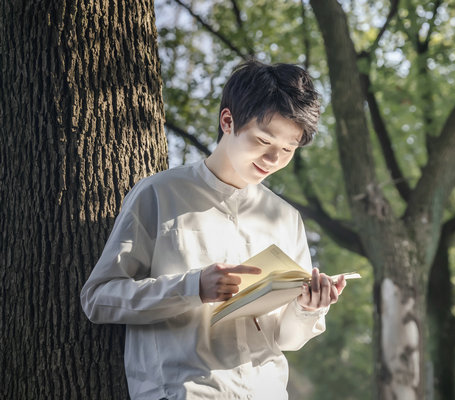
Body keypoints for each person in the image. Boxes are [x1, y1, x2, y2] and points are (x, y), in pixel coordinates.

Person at [80, 60, 346, 400]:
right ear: (228, 121)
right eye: (263, 140)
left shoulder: (285, 217)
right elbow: (99, 298)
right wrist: (193, 287)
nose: (272, 159)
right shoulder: (159, 194)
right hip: (183, 391)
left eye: (287, 150)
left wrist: (308, 308)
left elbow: (285, 339)